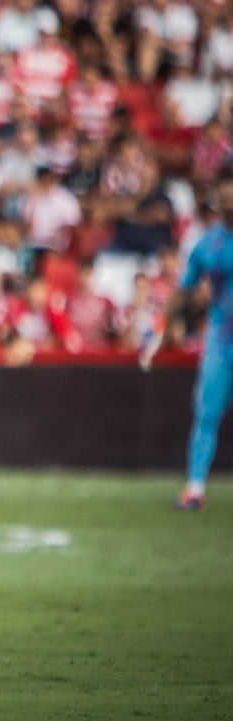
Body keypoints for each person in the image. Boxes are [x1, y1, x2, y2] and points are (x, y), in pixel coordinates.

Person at [142, 173, 233, 511]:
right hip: (222, 344)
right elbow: (184, 289)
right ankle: (195, 487)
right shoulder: (209, 244)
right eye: (223, 195)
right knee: (206, 413)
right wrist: (160, 326)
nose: (227, 200)